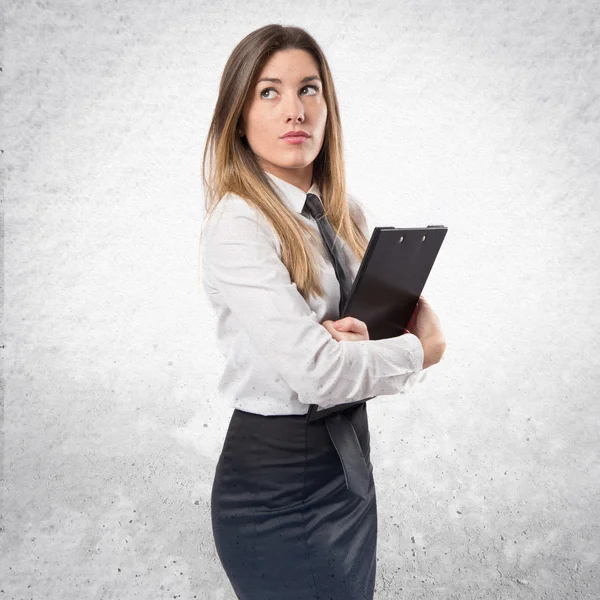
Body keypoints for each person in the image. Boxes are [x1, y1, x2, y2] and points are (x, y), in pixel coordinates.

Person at [198, 23, 446, 600]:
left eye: (309, 89)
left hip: (348, 465)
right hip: (276, 483)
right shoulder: (238, 225)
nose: (294, 110)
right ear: (238, 114)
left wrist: (350, 342)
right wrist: (423, 350)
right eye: (269, 91)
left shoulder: (343, 211)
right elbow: (317, 373)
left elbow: (363, 335)